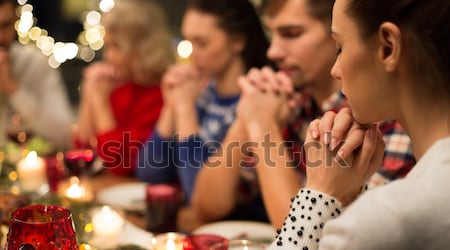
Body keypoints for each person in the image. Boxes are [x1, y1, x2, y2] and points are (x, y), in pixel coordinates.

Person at [238, 0, 450, 250]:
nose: (335, 70)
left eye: (340, 47)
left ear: (388, 47)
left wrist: (320, 195)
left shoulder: (394, 217)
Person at [191, 0, 416, 229]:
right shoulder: (294, 104)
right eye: (272, 34)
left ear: (337, 34)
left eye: (291, 34)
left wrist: (262, 127)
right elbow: (208, 206)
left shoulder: (383, 116)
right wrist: (245, 120)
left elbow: (306, 240)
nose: (273, 51)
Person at [135, 0, 273, 211]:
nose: (191, 54)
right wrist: (170, 107)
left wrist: (184, 110)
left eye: (202, 43)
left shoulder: (256, 101)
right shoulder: (204, 93)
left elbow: (199, 197)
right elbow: (150, 173)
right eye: (188, 42)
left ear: (238, 41)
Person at [75, 0, 174, 176]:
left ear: (143, 49)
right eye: (107, 46)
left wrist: (99, 103)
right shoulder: (118, 85)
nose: (108, 56)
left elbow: (119, 162)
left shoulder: (163, 94)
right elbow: (81, 151)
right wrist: (89, 94)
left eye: (116, 47)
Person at [0, 0, 74, 149]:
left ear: (16, 19)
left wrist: (15, 90)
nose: (0, 37)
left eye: (5, 25)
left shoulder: (35, 63)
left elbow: (66, 136)